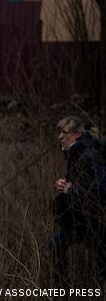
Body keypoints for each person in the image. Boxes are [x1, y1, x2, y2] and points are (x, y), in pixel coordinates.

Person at [51, 116, 106, 287]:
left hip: (93, 221)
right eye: (59, 132)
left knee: (102, 262)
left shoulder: (88, 155)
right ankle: (63, 288)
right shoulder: (76, 153)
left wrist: (70, 189)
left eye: (64, 133)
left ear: (77, 135)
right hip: (80, 219)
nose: (60, 137)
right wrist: (66, 184)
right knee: (57, 244)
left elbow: (99, 192)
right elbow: (83, 183)